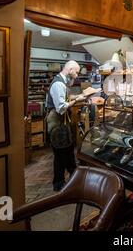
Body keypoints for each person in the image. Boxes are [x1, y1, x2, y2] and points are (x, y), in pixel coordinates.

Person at [46, 60, 85, 191]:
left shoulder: (63, 82)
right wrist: (76, 100)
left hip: (62, 123)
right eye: (77, 72)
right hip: (57, 123)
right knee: (61, 154)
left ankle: (74, 178)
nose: (77, 75)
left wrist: (80, 96)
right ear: (70, 69)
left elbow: (65, 98)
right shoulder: (58, 84)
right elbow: (61, 108)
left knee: (67, 152)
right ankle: (59, 183)